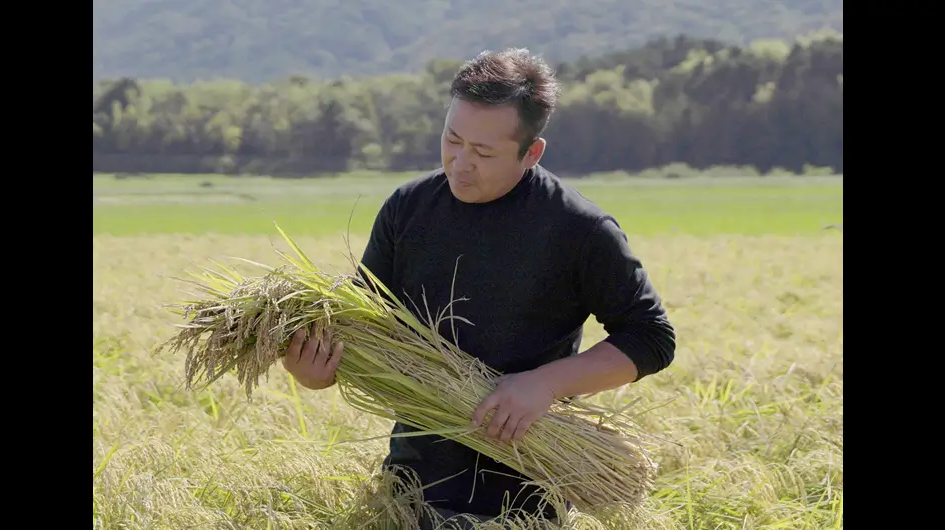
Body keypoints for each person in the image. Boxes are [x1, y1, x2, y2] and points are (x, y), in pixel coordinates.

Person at [281, 48, 677, 529]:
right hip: (411, 492)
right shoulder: (409, 209)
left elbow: (651, 338)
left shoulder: (579, 229)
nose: (460, 163)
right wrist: (314, 371)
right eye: (452, 139)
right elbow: (363, 327)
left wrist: (544, 384)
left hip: (525, 499)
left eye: (484, 152)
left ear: (531, 152)